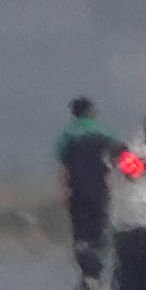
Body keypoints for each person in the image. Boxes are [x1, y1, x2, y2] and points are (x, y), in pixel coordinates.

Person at [54, 94, 117, 270]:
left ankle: (88, 274)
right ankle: (96, 268)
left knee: (81, 235)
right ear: (90, 111)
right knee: (99, 230)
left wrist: (63, 190)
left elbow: (63, 166)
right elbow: (120, 156)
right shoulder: (105, 132)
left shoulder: (67, 135)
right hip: (101, 189)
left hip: (77, 190)